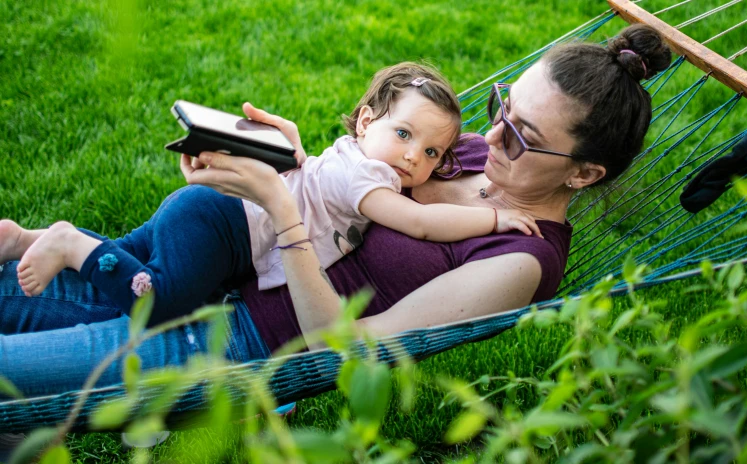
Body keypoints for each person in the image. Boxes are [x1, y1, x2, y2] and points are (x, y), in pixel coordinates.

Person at [0, 24, 672, 397]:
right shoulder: (468, 155)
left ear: (585, 173)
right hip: (224, 265)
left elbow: (342, 353)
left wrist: (281, 212)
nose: (490, 138)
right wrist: (296, 164)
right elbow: (361, 168)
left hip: (237, 348)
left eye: (523, 136)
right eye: (502, 108)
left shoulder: (521, 263)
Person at [4, 62, 540, 327]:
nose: (412, 159)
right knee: (161, 301)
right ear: (366, 122)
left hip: (214, 215)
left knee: (136, 253)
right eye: (404, 136)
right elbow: (420, 224)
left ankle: (23, 238)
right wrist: (492, 222)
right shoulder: (370, 181)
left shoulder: (350, 154)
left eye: (430, 154)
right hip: (226, 230)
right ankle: (72, 245)